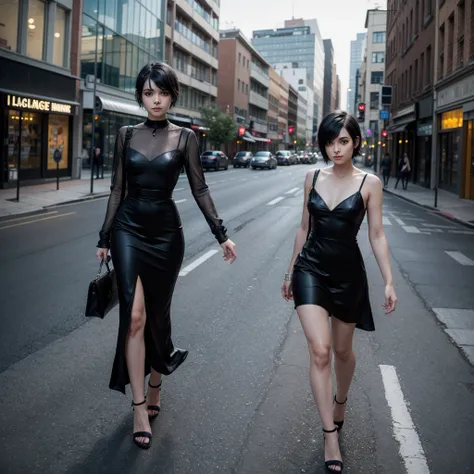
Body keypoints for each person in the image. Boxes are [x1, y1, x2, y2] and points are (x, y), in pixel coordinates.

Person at [96, 62, 237, 450]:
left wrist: (221, 234)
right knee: (135, 316)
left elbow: (200, 189)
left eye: (161, 92)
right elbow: (116, 189)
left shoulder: (186, 138)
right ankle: (139, 406)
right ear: (140, 95)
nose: (155, 100)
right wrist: (105, 236)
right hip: (128, 230)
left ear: (172, 95)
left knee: (158, 313)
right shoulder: (125, 135)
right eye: (147, 92)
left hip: (166, 236)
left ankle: (158, 377)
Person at [281, 111, 397, 472]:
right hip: (310, 269)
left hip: (348, 275)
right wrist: (290, 271)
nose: (336, 148)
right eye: (330, 142)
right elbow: (304, 227)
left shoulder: (370, 183)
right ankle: (330, 432)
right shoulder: (311, 177)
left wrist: (389, 280)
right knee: (321, 351)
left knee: (343, 352)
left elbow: (376, 235)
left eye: (343, 141)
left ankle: (341, 399)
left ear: (356, 142)